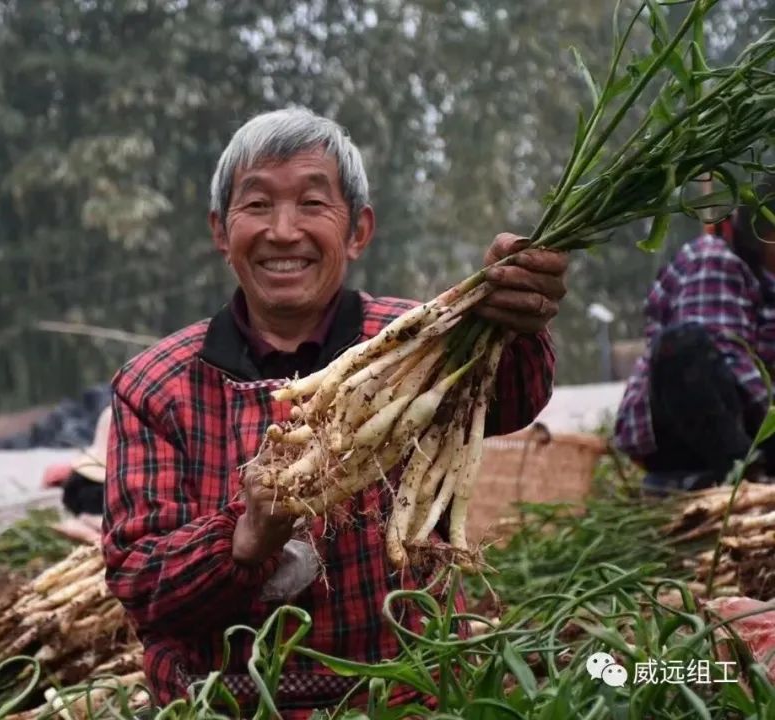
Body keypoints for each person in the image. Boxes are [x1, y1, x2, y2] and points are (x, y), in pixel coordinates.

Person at [101, 107, 568, 716]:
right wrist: (244, 540)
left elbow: (511, 397)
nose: (284, 231)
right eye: (258, 205)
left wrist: (512, 315)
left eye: (313, 204)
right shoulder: (154, 385)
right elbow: (140, 585)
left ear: (358, 231)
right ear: (221, 230)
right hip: (219, 704)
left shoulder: (419, 341)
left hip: (403, 695)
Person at [614, 174, 775, 496]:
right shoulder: (713, 259)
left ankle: (749, 469)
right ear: (763, 233)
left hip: (746, 429)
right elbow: (728, 359)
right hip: (683, 433)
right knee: (684, 347)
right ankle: (744, 474)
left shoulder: (766, 282)